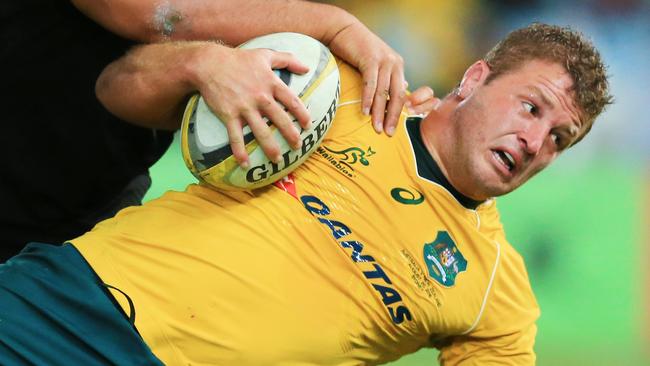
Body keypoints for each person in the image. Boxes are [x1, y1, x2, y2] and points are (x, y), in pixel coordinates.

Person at [0, 23, 611, 365]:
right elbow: (115, 89)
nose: (535, 141)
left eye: (560, 138)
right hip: (68, 307)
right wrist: (200, 65)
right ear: (475, 78)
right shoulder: (336, 86)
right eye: (531, 108)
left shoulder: (494, 294)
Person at [0, 0, 408, 262]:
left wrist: (394, 114)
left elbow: (128, 82)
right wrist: (335, 24)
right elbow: (150, 15)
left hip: (84, 196)